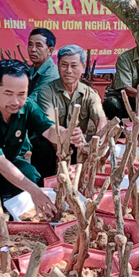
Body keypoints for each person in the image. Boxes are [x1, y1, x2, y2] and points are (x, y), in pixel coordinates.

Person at [0, 59, 83, 230]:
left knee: (33, 177)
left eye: (21, 93)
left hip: (11, 163)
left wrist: (67, 135)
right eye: (8, 93)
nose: (15, 101)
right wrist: (34, 191)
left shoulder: (28, 106)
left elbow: (48, 130)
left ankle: (26, 229)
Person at [32, 45, 107, 178]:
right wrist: (68, 135)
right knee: (41, 144)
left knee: (87, 145)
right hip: (53, 144)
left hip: (77, 143)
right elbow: (50, 125)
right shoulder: (46, 91)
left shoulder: (90, 94)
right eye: (64, 65)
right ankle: (44, 184)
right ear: (58, 66)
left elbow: (100, 119)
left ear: (83, 67)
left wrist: (98, 142)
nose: (68, 71)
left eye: (74, 66)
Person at [26, 28, 59, 96]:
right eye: (30, 44)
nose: (33, 49)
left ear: (50, 50)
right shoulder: (32, 69)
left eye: (39, 46)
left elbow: (35, 101)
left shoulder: (52, 74)